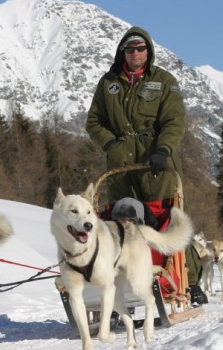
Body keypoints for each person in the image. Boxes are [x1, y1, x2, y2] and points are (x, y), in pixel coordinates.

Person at [86, 26, 207, 305]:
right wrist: (110, 144)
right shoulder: (108, 84)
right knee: (122, 224)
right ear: (123, 53)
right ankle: (124, 287)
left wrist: (163, 149)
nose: (135, 53)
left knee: (164, 220)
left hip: (157, 164)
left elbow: (175, 121)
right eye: (130, 49)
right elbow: (93, 122)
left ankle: (185, 280)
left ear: (148, 52)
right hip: (120, 167)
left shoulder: (164, 81)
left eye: (140, 48)